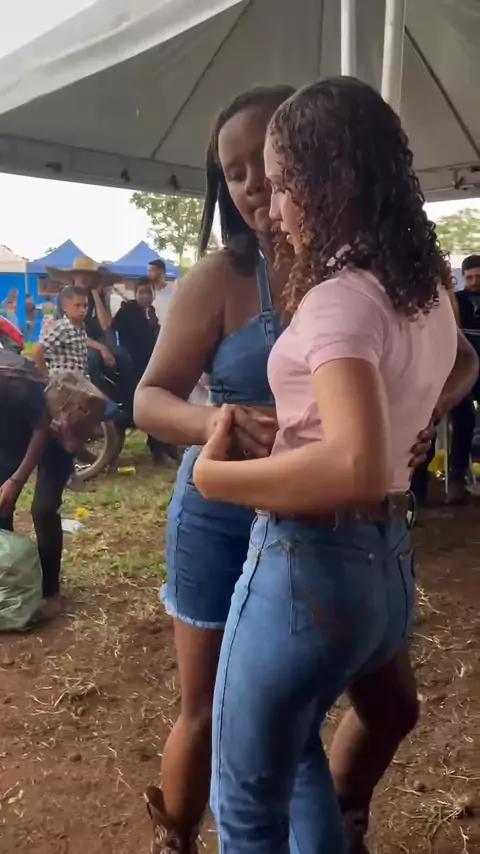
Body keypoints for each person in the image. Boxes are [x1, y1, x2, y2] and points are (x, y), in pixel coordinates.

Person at [135, 85, 463, 854]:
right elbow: (148, 399)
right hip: (225, 520)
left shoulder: (358, 278)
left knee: (297, 732)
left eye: (269, 167)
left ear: (316, 165)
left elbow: (447, 364)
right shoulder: (220, 278)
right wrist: (215, 426)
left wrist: (417, 417)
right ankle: (175, 835)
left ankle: (337, 823)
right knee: (212, 712)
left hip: (312, 533)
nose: (257, 188)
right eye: (236, 173)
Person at [0, 351, 74, 618]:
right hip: (12, 439)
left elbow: (42, 428)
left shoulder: (13, 381)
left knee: (43, 509)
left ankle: (50, 590)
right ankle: (9, 582)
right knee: (1, 508)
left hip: (53, 438)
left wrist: (16, 480)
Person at [47, 258, 136, 420]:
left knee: (123, 355)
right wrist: (102, 348)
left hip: (97, 340)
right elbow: (72, 332)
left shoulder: (96, 295)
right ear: (74, 276)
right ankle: (98, 403)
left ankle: (130, 405)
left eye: (89, 275)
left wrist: (96, 294)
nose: (85, 278)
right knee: (92, 358)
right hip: (73, 342)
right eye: (81, 274)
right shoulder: (65, 297)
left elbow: (105, 325)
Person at [113, 278, 177, 466]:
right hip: (133, 367)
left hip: (151, 364)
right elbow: (111, 328)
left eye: (149, 292)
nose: (146, 296)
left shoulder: (152, 312)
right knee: (152, 405)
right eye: (141, 292)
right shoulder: (127, 310)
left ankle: (166, 444)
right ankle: (157, 448)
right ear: (135, 294)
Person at [447, 254, 480, 502]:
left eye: (479, 277)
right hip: (462, 373)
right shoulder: (454, 302)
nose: (474, 282)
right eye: (469, 277)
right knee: (465, 413)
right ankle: (457, 476)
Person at [31, 285, 88, 377]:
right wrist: (47, 375)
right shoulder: (63, 328)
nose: (82, 310)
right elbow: (37, 351)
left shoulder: (80, 327)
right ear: (65, 307)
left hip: (78, 379)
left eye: (85, 306)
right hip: (63, 380)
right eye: (77, 306)